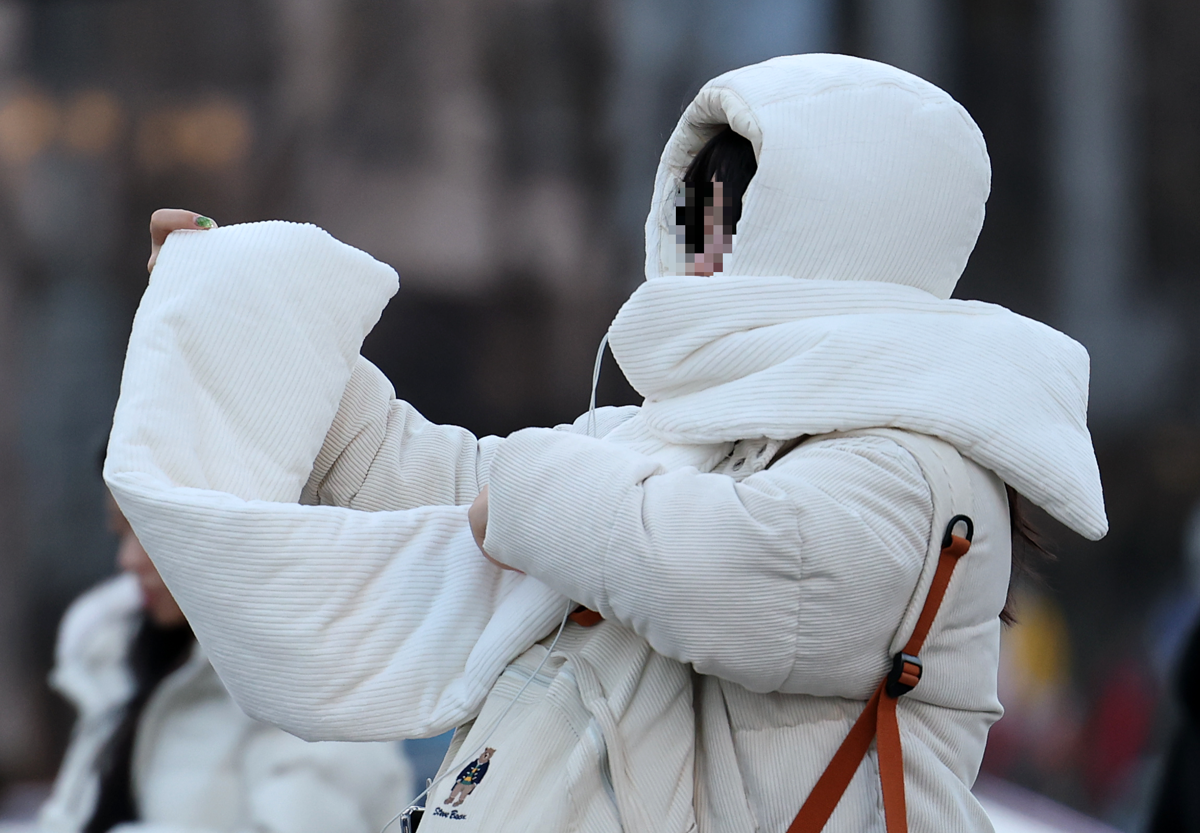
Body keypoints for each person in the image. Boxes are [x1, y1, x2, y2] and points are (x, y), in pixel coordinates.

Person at [105, 54, 1107, 832]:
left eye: (738, 224)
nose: (703, 257)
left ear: (842, 232)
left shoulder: (920, 465)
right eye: (695, 221)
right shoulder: (671, 440)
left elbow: (733, 571)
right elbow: (454, 496)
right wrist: (255, 330)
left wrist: (531, 491)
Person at [35, 490, 413, 833]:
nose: (128, 560)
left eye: (147, 528)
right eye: (120, 531)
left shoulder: (317, 682)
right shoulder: (113, 660)